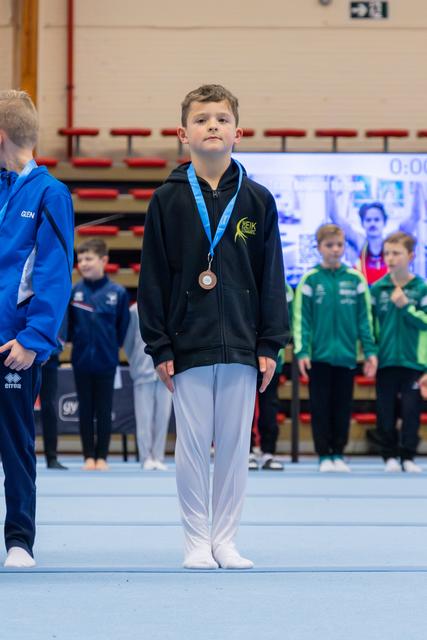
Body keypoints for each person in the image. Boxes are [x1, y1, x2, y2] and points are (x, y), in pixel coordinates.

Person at [138, 84, 289, 569]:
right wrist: (159, 346)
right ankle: (195, 541)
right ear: (184, 133)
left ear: (238, 133)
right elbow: (153, 277)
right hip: (188, 343)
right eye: (202, 120)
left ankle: (225, 538)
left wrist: (271, 343)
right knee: (190, 447)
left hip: (244, 343)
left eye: (222, 119)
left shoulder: (259, 201)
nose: (213, 127)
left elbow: (271, 277)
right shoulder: (166, 200)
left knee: (234, 448)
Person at [0, 90, 74, 567]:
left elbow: (54, 269)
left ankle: (19, 540)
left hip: (14, 345)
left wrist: (35, 339)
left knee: (15, 443)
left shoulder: (50, 193)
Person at [294, 223, 377, 472]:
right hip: (318, 357)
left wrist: (371, 352)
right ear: (319, 248)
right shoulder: (310, 280)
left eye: (339, 245)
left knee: (342, 408)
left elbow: (365, 320)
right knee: (320, 408)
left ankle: (338, 453)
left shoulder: (356, 280)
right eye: (329, 245)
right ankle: (323, 456)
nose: (335, 250)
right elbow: (302, 320)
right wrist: (301, 351)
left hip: (346, 357)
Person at [69, 238, 130, 471]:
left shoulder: (117, 293)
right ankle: (88, 456)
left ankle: (102, 456)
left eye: (88, 259)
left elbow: (122, 327)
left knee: (104, 409)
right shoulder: (75, 292)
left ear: (104, 260)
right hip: (81, 360)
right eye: (80, 259)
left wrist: (111, 347)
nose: (83, 263)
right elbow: (70, 327)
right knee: (85, 409)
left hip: (107, 361)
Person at [371, 231, 427, 473]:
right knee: (386, 412)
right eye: (387, 253)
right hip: (386, 362)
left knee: (411, 411)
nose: (390, 258)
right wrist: (371, 353)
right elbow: (370, 327)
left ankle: (408, 456)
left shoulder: (421, 288)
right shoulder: (377, 289)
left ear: (411, 256)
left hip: (414, 362)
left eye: (397, 253)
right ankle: (389, 456)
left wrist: (406, 307)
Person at [327, 180, 420, 285]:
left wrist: (417, 183)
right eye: (368, 220)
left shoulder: (392, 244)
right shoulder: (359, 243)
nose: (372, 224)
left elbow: (415, 216)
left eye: (376, 220)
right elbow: (335, 217)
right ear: (362, 223)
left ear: (384, 223)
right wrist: (330, 186)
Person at [249, 283, 294, 471]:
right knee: (244, 408)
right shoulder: (243, 277)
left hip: (271, 358)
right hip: (245, 357)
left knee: (269, 407)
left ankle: (268, 452)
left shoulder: (283, 288)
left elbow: (287, 321)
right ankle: (247, 452)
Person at [124, 302, 172, 470]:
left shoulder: (171, 305)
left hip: (167, 371)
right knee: (144, 417)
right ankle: (145, 457)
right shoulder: (134, 310)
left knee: (162, 416)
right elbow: (129, 341)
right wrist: (135, 364)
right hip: (143, 370)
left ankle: (158, 456)